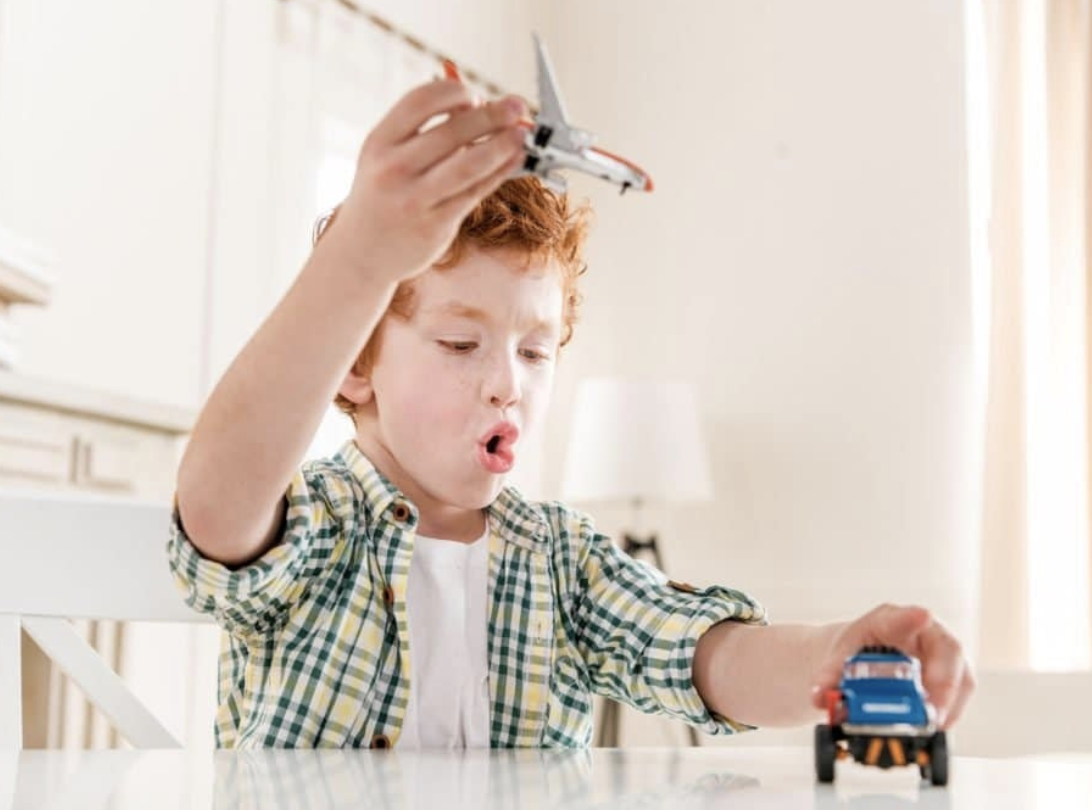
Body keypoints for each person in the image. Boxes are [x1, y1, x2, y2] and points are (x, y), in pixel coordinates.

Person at [168, 77, 973, 748]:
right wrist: (362, 260)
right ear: (352, 365)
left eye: (534, 352)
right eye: (458, 344)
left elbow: (703, 654)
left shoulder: (564, 561)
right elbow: (216, 502)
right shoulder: (314, 523)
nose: (505, 385)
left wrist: (831, 654)